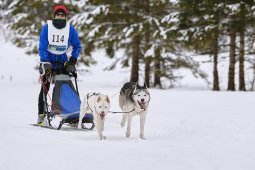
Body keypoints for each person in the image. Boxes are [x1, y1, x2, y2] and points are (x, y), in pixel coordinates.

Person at [37, 5, 81, 124]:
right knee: (45, 88)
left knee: (66, 87)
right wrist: (45, 62)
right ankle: (41, 116)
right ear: (54, 15)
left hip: (62, 61)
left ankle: (72, 114)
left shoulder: (70, 29)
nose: (60, 16)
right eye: (58, 14)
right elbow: (42, 47)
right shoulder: (47, 28)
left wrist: (72, 60)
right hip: (48, 62)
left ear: (65, 17)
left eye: (63, 15)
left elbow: (77, 46)